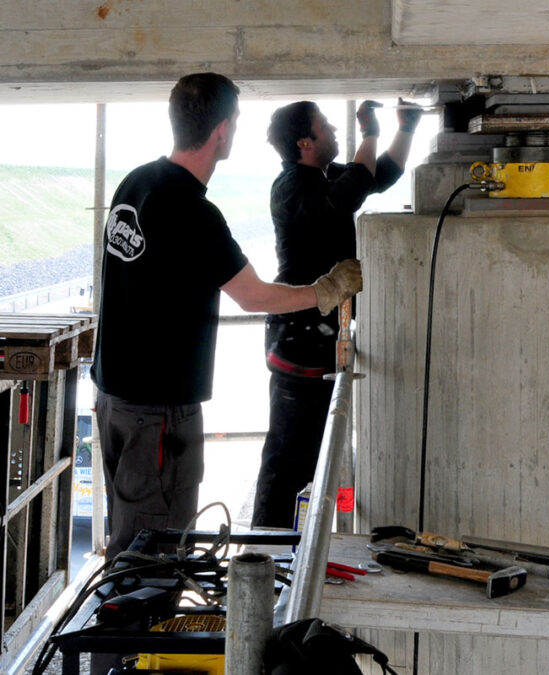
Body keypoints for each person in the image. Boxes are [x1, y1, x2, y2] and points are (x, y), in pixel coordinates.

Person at [91, 73, 365, 561]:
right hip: (157, 412)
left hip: (113, 399)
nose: (236, 131)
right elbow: (254, 296)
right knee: (154, 554)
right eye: (235, 121)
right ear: (220, 131)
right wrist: (326, 290)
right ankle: (135, 633)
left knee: (128, 541)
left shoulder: (136, 182)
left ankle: (124, 628)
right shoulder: (195, 214)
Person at [251, 98, 420, 528]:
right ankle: (265, 551)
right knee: (288, 458)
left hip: (318, 338)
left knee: (312, 455)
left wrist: (406, 128)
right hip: (298, 340)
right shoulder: (292, 186)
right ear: (305, 142)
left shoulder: (323, 177)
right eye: (324, 125)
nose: (332, 129)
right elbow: (350, 193)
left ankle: (303, 545)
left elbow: (378, 177)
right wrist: (370, 131)